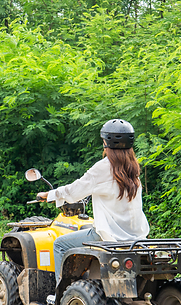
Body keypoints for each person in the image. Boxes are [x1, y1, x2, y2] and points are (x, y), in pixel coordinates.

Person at [37, 119, 150, 287]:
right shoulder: (133, 168)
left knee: (60, 244)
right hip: (136, 237)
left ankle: (64, 293)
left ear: (105, 142)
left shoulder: (104, 167)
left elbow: (74, 191)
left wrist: (50, 194)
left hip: (108, 236)